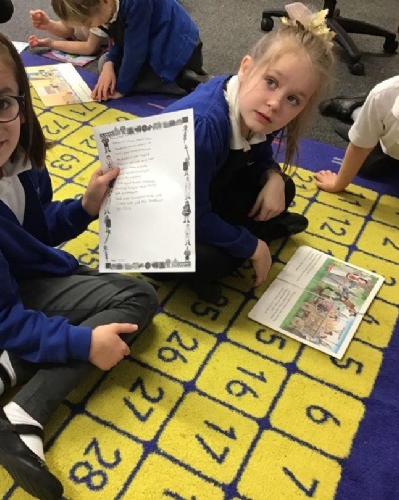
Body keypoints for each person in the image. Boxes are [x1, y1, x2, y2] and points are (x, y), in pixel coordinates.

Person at [0, 20, 158, 500]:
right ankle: (17, 416)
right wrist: (82, 344)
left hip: (4, 277)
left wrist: (84, 208)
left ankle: (1, 366)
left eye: (2, 103)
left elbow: (29, 234)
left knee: (123, 294)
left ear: (22, 99)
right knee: (133, 300)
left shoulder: (17, 160)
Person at [156, 3, 335, 303]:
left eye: (293, 99)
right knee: (213, 260)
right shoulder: (202, 127)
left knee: (283, 188)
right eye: (271, 82)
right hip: (163, 221)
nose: (275, 103)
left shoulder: (256, 109)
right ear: (246, 67)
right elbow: (188, 214)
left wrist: (272, 176)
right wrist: (251, 245)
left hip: (200, 191)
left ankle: (255, 232)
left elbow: (258, 154)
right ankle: (246, 243)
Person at [51, 0, 209, 101]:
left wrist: (121, 89)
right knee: (104, 64)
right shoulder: (106, 8)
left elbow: (135, 52)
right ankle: (177, 77)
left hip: (179, 51)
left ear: (104, 1)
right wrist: (109, 64)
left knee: (123, 80)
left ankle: (183, 82)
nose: (89, 28)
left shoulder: (136, 3)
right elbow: (120, 38)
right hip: (149, 43)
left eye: (89, 23)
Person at [315, 76, 399, 192]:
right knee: (367, 167)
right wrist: (337, 184)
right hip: (388, 129)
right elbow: (360, 147)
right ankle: (356, 111)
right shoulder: (384, 96)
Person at [28, 8, 109, 56]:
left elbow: (89, 48)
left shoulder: (97, 13)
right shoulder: (70, 6)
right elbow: (67, 30)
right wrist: (49, 24)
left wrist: (51, 43)